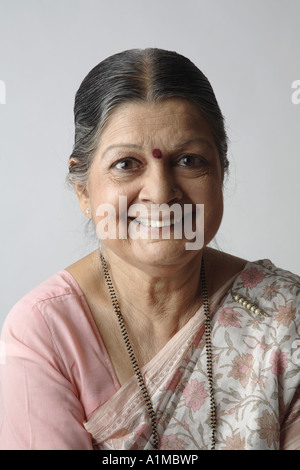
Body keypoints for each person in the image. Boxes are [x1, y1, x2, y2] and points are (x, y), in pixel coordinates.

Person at [0, 48, 299, 451]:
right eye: (126, 164)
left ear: (221, 173)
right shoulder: (47, 332)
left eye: (189, 160)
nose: (161, 193)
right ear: (84, 191)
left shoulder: (282, 315)